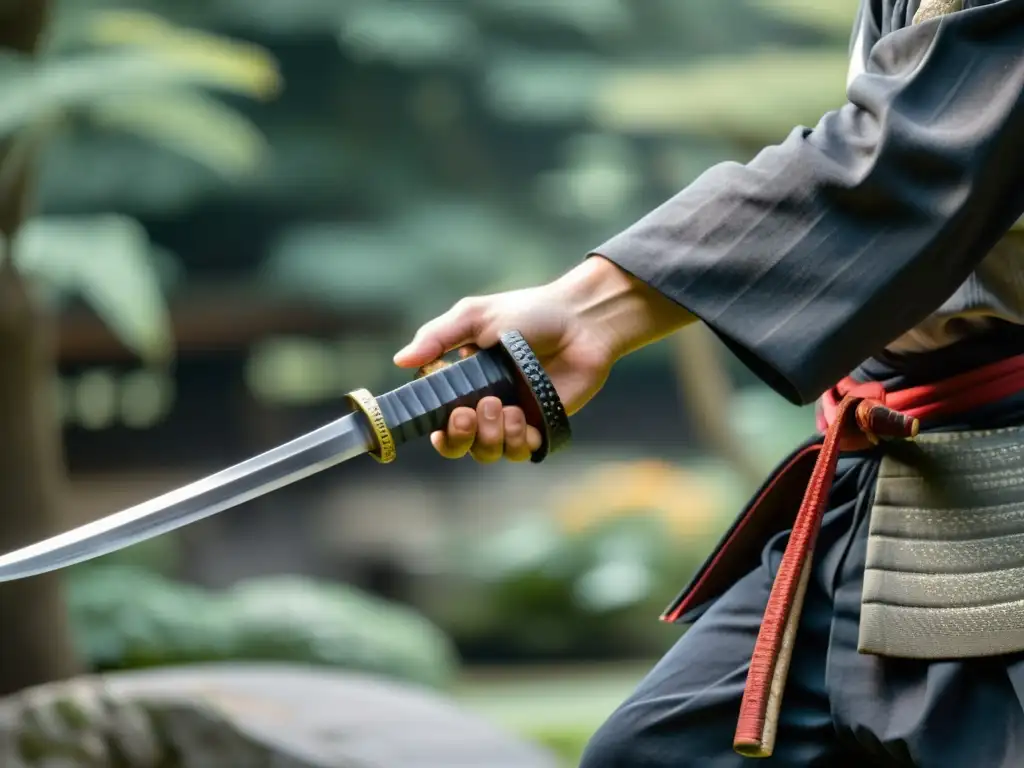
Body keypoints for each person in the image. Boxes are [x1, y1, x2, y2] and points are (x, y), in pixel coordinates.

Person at [395, 1, 1024, 765]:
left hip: (1003, 482)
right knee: (660, 753)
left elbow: (919, 150)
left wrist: (598, 307)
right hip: (896, 470)